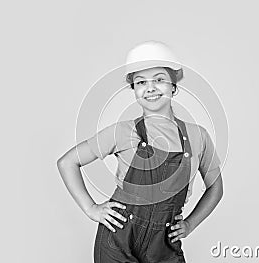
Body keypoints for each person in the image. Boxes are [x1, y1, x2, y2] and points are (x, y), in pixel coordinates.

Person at [57, 40, 223, 263]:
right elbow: (67, 162)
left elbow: (216, 188)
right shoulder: (122, 132)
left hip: (164, 245)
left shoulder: (198, 136)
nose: (151, 88)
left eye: (160, 80)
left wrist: (190, 224)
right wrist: (91, 209)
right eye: (141, 82)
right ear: (134, 90)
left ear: (174, 86)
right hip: (118, 242)